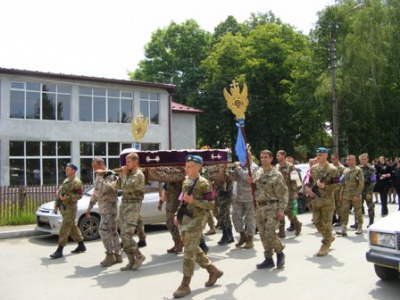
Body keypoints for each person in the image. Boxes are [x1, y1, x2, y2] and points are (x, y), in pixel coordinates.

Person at [172, 154, 223, 299]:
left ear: (198, 167)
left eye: (189, 166)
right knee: (193, 248)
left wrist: (194, 201)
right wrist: (177, 214)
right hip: (185, 218)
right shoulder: (187, 181)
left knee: (188, 252)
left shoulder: (204, 183)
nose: (186, 168)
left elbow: (210, 204)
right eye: (186, 166)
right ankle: (213, 270)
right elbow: (183, 200)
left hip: (197, 220)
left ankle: (185, 284)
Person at [248, 150, 288, 269]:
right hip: (259, 207)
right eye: (261, 157)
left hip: (272, 207)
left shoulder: (276, 175)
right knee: (263, 235)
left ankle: (280, 252)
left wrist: (281, 210)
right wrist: (251, 182)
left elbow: (283, 194)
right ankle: (268, 258)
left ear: (271, 159)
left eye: (266, 157)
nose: (263, 159)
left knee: (269, 232)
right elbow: (256, 188)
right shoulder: (259, 172)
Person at [304, 147, 340, 257]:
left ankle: (325, 245)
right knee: (316, 222)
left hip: (328, 201)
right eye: (317, 154)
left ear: (326, 156)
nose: (318, 156)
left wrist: (325, 186)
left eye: (321, 155)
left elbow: (337, 185)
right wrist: (308, 189)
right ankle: (329, 237)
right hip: (316, 201)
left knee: (327, 223)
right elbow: (308, 181)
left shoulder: (332, 169)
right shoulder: (313, 168)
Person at [86, 158, 121, 266]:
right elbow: (96, 192)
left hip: (110, 208)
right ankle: (117, 254)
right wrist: (89, 207)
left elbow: (109, 189)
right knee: (112, 231)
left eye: (95, 167)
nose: (94, 170)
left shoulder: (111, 175)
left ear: (102, 165)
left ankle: (110, 254)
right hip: (103, 209)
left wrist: (100, 177)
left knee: (103, 230)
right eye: (93, 167)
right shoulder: (99, 177)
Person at [50, 163, 86, 259]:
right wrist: (56, 204)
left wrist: (68, 198)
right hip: (64, 208)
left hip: (70, 209)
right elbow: (61, 193)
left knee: (64, 228)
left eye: (68, 169)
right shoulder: (66, 180)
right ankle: (81, 245)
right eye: (66, 169)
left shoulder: (77, 182)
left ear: (73, 171)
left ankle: (60, 249)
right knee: (72, 227)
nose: (66, 171)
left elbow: (80, 195)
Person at [118, 152, 146, 271]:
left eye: (128, 161)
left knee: (127, 235)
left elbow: (127, 187)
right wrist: (121, 175)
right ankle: (131, 261)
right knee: (123, 236)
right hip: (125, 205)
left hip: (133, 206)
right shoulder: (128, 174)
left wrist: (124, 175)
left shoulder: (138, 174)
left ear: (135, 162)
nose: (126, 164)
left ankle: (139, 256)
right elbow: (119, 186)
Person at [231, 152, 259, 249]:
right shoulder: (241, 167)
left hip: (250, 197)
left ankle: (250, 238)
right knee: (235, 216)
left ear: (250, 157)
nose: (241, 159)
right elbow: (233, 178)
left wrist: (238, 168)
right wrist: (233, 169)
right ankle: (242, 236)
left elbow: (247, 177)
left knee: (250, 219)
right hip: (238, 197)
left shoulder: (254, 167)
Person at [275, 150, 302, 237]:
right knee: (279, 211)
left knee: (289, 212)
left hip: (288, 193)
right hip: (278, 193)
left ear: (283, 156)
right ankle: (282, 231)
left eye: (278, 155)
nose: (277, 157)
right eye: (277, 155)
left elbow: (295, 180)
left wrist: (295, 192)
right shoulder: (277, 166)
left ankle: (297, 224)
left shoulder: (290, 167)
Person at [336, 155, 365, 236]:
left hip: (355, 195)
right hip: (346, 194)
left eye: (349, 160)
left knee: (357, 211)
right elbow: (343, 183)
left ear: (354, 161)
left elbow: (361, 183)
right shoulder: (345, 170)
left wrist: (357, 194)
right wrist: (341, 194)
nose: (347, 161)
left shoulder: (358, 170)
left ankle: (359, 226)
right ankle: (343, 228)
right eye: (347, 160)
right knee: (344, 211)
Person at [159, 181, 184, 253]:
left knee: (173, 224)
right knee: (169, 224)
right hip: (169, 204)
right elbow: (165, 190)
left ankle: (179, 243)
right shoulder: (168, 180)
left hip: (177, 204)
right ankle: (177, 243)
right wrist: (160, 202)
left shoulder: (180, 180)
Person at [358, 153, 377, 228]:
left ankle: (371, 222)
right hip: (360, 191)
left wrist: (369, 192)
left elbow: (373, 181)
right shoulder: (358, 169)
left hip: (367, 190)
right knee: (358, 207)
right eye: (362, 159)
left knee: (370, 207)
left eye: (364, 159)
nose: (363, 161)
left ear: (367, 159)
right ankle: (358, 223)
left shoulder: (371, 169)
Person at [215, 175, 234, 245]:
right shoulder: (218, 171)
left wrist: (222, 182)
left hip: (226, 197)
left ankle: (225, 235)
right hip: (221, 197)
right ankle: (230, 235)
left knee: (222, 216)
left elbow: (227, 189)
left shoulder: (227, 172)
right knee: (226, 216)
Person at [331, 153, 345, 227]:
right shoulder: (330, 167)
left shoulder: (341, 168)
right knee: (332, 204)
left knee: (339, 205)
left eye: (333, 159)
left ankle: (340, 219)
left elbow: (342, 180)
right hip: (331, 189)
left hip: (338, 189)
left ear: (337, 158)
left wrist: (341, 192)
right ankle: (333, 218)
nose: (332, 160)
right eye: (331, 159)